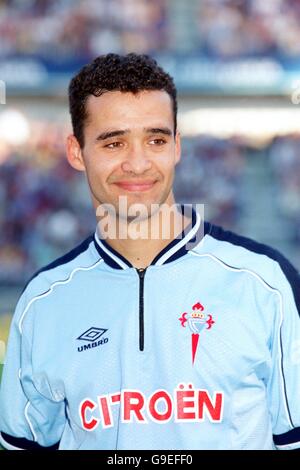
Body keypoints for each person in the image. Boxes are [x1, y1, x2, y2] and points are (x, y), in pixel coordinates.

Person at [0, 53, 299, 451]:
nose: (138, 164)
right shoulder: (43, 301)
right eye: (114, 142)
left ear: (177, 147)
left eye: (156, 140)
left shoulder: (266, 282)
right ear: (75, 151)